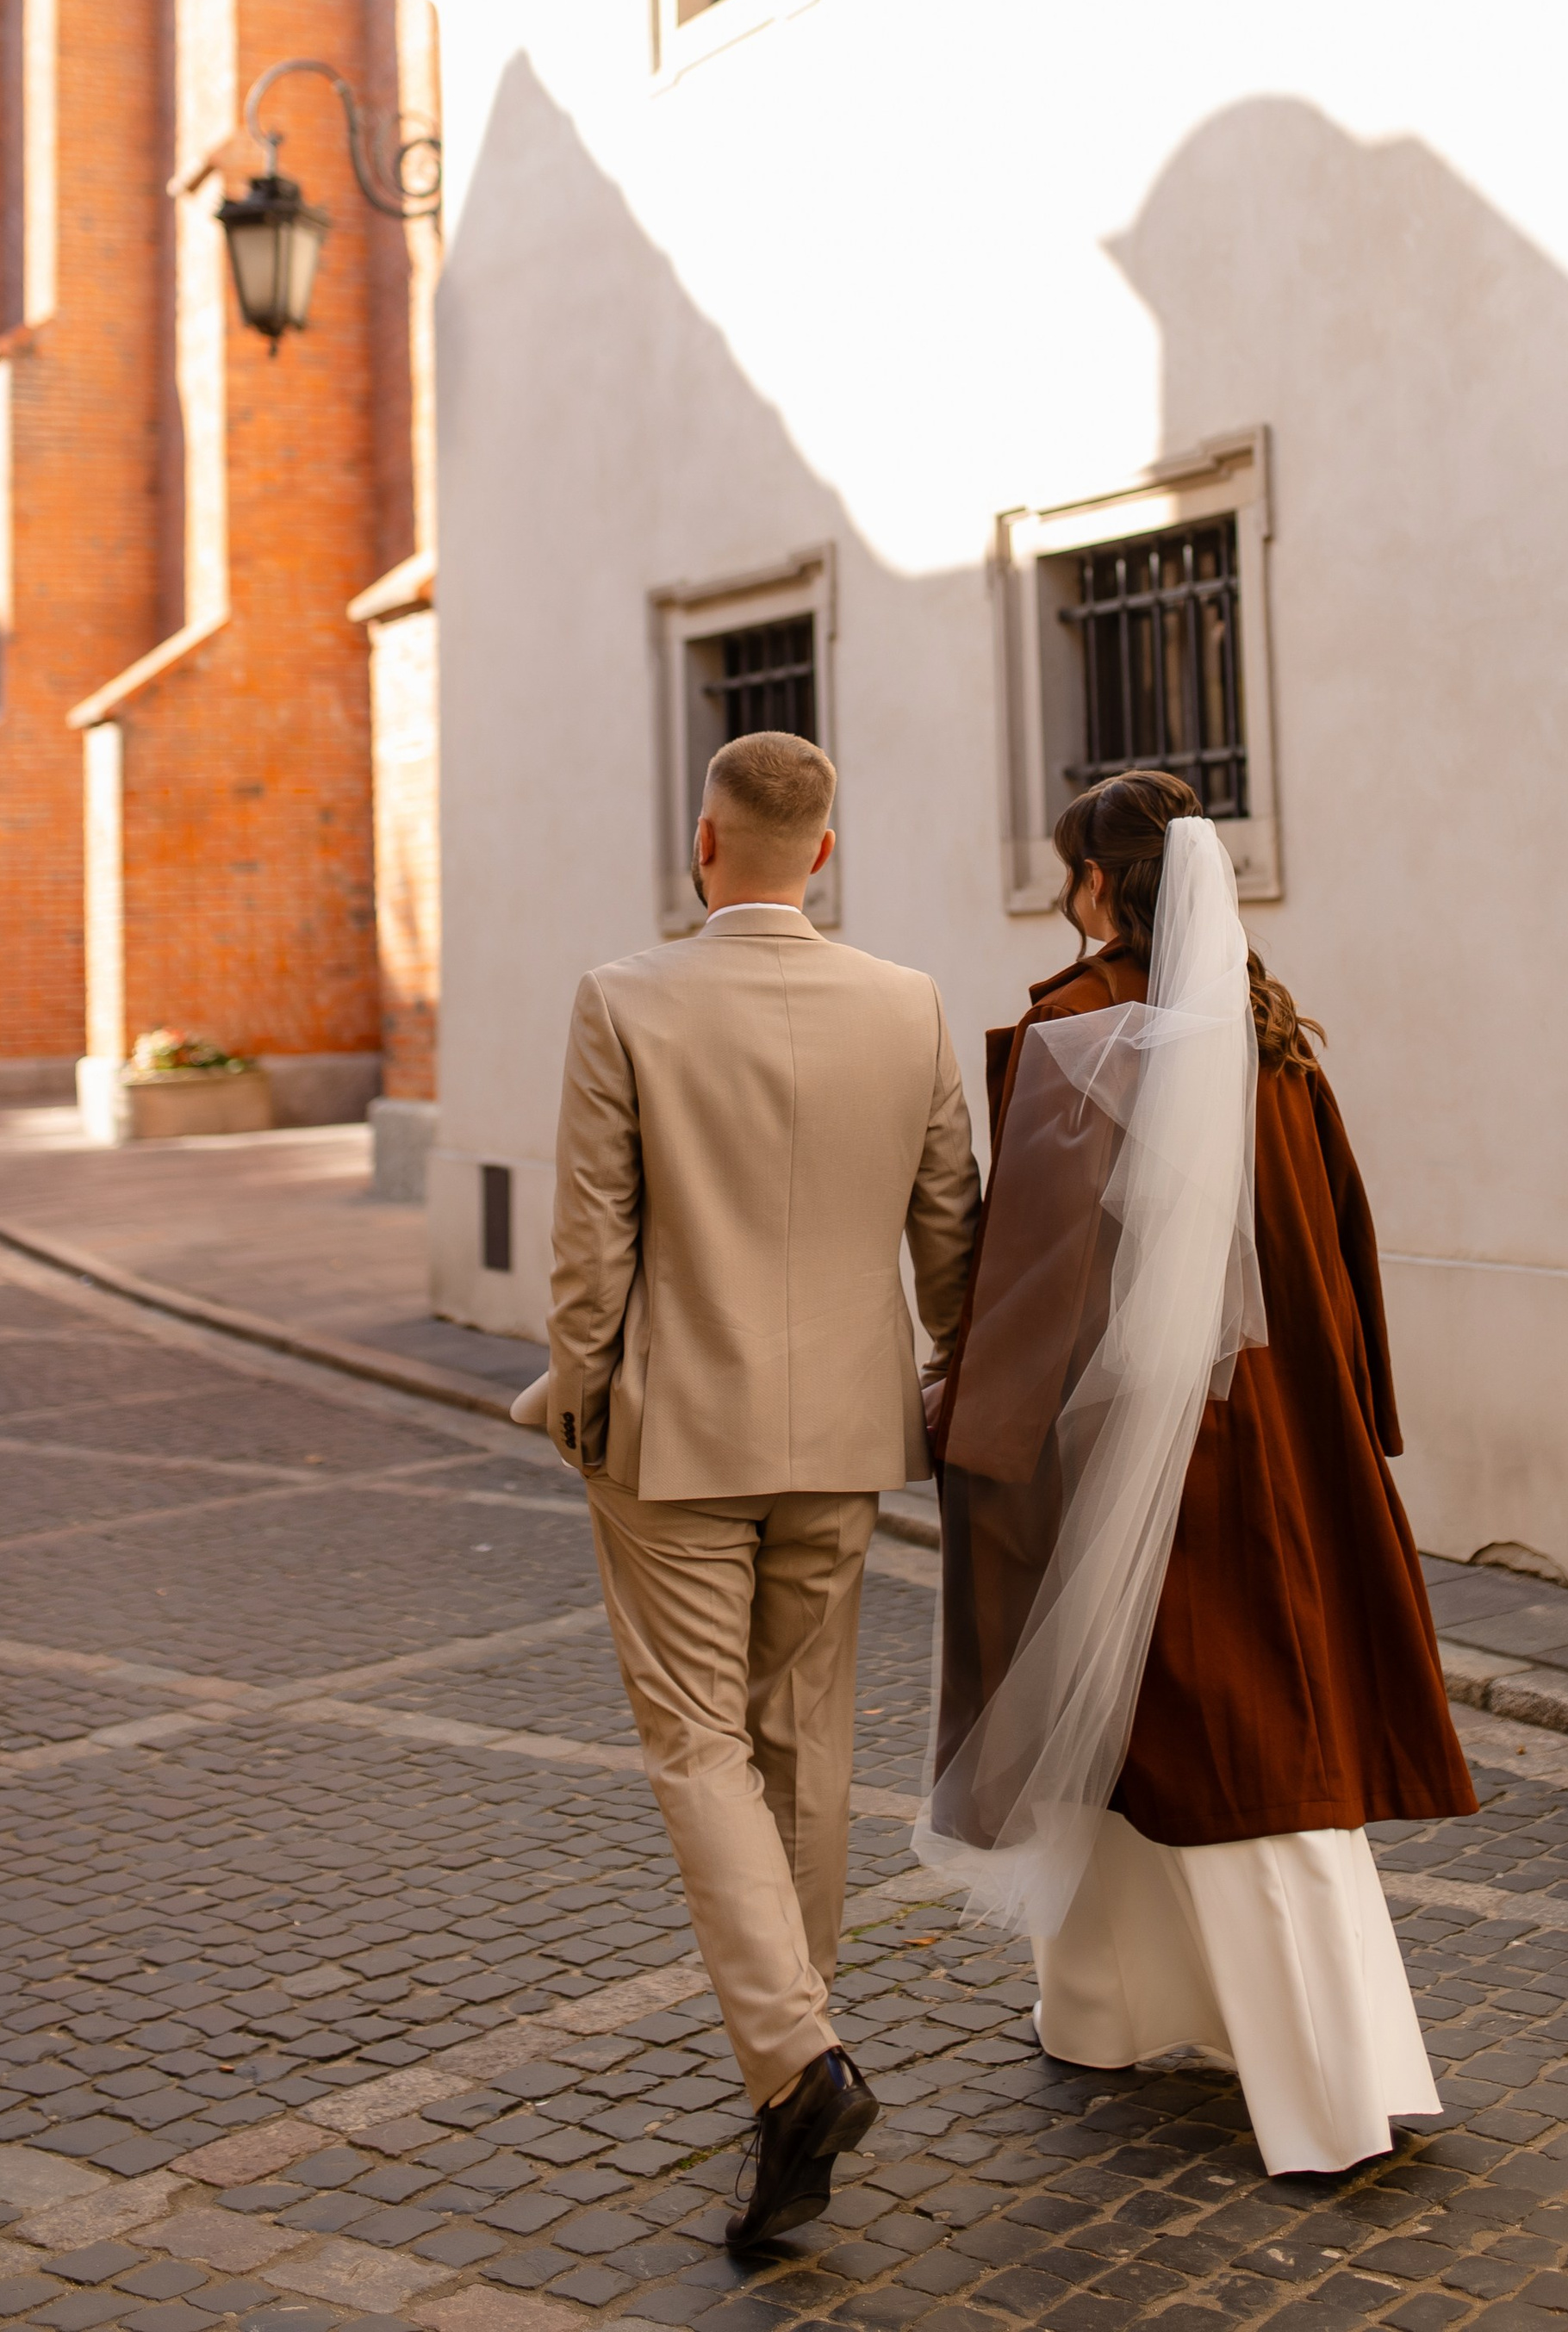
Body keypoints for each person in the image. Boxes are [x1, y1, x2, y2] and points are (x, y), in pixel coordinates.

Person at [919, 769, 1475, 2177]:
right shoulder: (1278, 1041)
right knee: (1151, 1737)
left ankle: (1335, 2093)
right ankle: (1102, 2005)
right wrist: (1364, 1427)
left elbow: (1037, 1277)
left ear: (1102, 887)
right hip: (1290, 1443)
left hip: (1152, 1462)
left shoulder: (1079, 1035)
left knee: (1237, 1756)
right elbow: (1349, 1256)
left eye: (1072, 876)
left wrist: (973, 1436)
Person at [533, 731, 981, 2251]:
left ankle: (799, 2065)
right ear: (825, 855)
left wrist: (579, 1399)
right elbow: (955, 1242)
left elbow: (593, 1242)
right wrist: (939, 1391)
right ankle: (790, 2055)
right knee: (803, 1741)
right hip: (846, 1436)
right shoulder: (908, 1005)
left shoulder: (626, 998)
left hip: (674, 1435)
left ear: (705, 845)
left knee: (695, 1743)